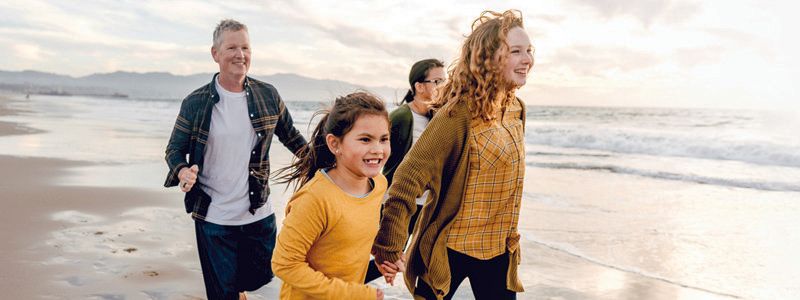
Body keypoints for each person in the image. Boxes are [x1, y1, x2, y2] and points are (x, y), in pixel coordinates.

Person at [372, 10, 534, 300]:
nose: (527, 60)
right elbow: (408, 178)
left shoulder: (516, 109)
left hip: (497, 248)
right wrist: (390, 243)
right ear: (489, 57)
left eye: (529, 51)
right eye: (516, 51)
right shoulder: (456, 115)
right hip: (451, 247)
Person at [163, 19, 307, 300]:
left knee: (260, 276)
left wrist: (328, 165)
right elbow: (174, 150)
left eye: (245, 47)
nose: (240, 54)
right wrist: (182, 171)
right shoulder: (196, 102)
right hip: (214, 215)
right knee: (223, 293)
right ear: (215, 54)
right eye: (232, 47)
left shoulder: (268, 95)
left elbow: (293, 138)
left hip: (258, 210)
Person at [271, 92, 395, 299]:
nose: (378, 149)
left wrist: (381, 254)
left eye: (384, 139)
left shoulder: (378, 184)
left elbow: (352, 234)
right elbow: (284, 264)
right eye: (365, 139)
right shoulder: (315, 199)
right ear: (335, 144)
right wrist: (353, 294)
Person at [365, 58, 445, 283]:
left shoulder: (438, 117)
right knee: (390, 258)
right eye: (437, 81)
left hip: (427, 205)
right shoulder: (401, 117)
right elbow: (378, 156)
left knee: (408, 259)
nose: (443, 85)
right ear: (420, 87)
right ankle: (340, 286)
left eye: (445, 80)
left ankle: (343, 285)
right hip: (399, 201)